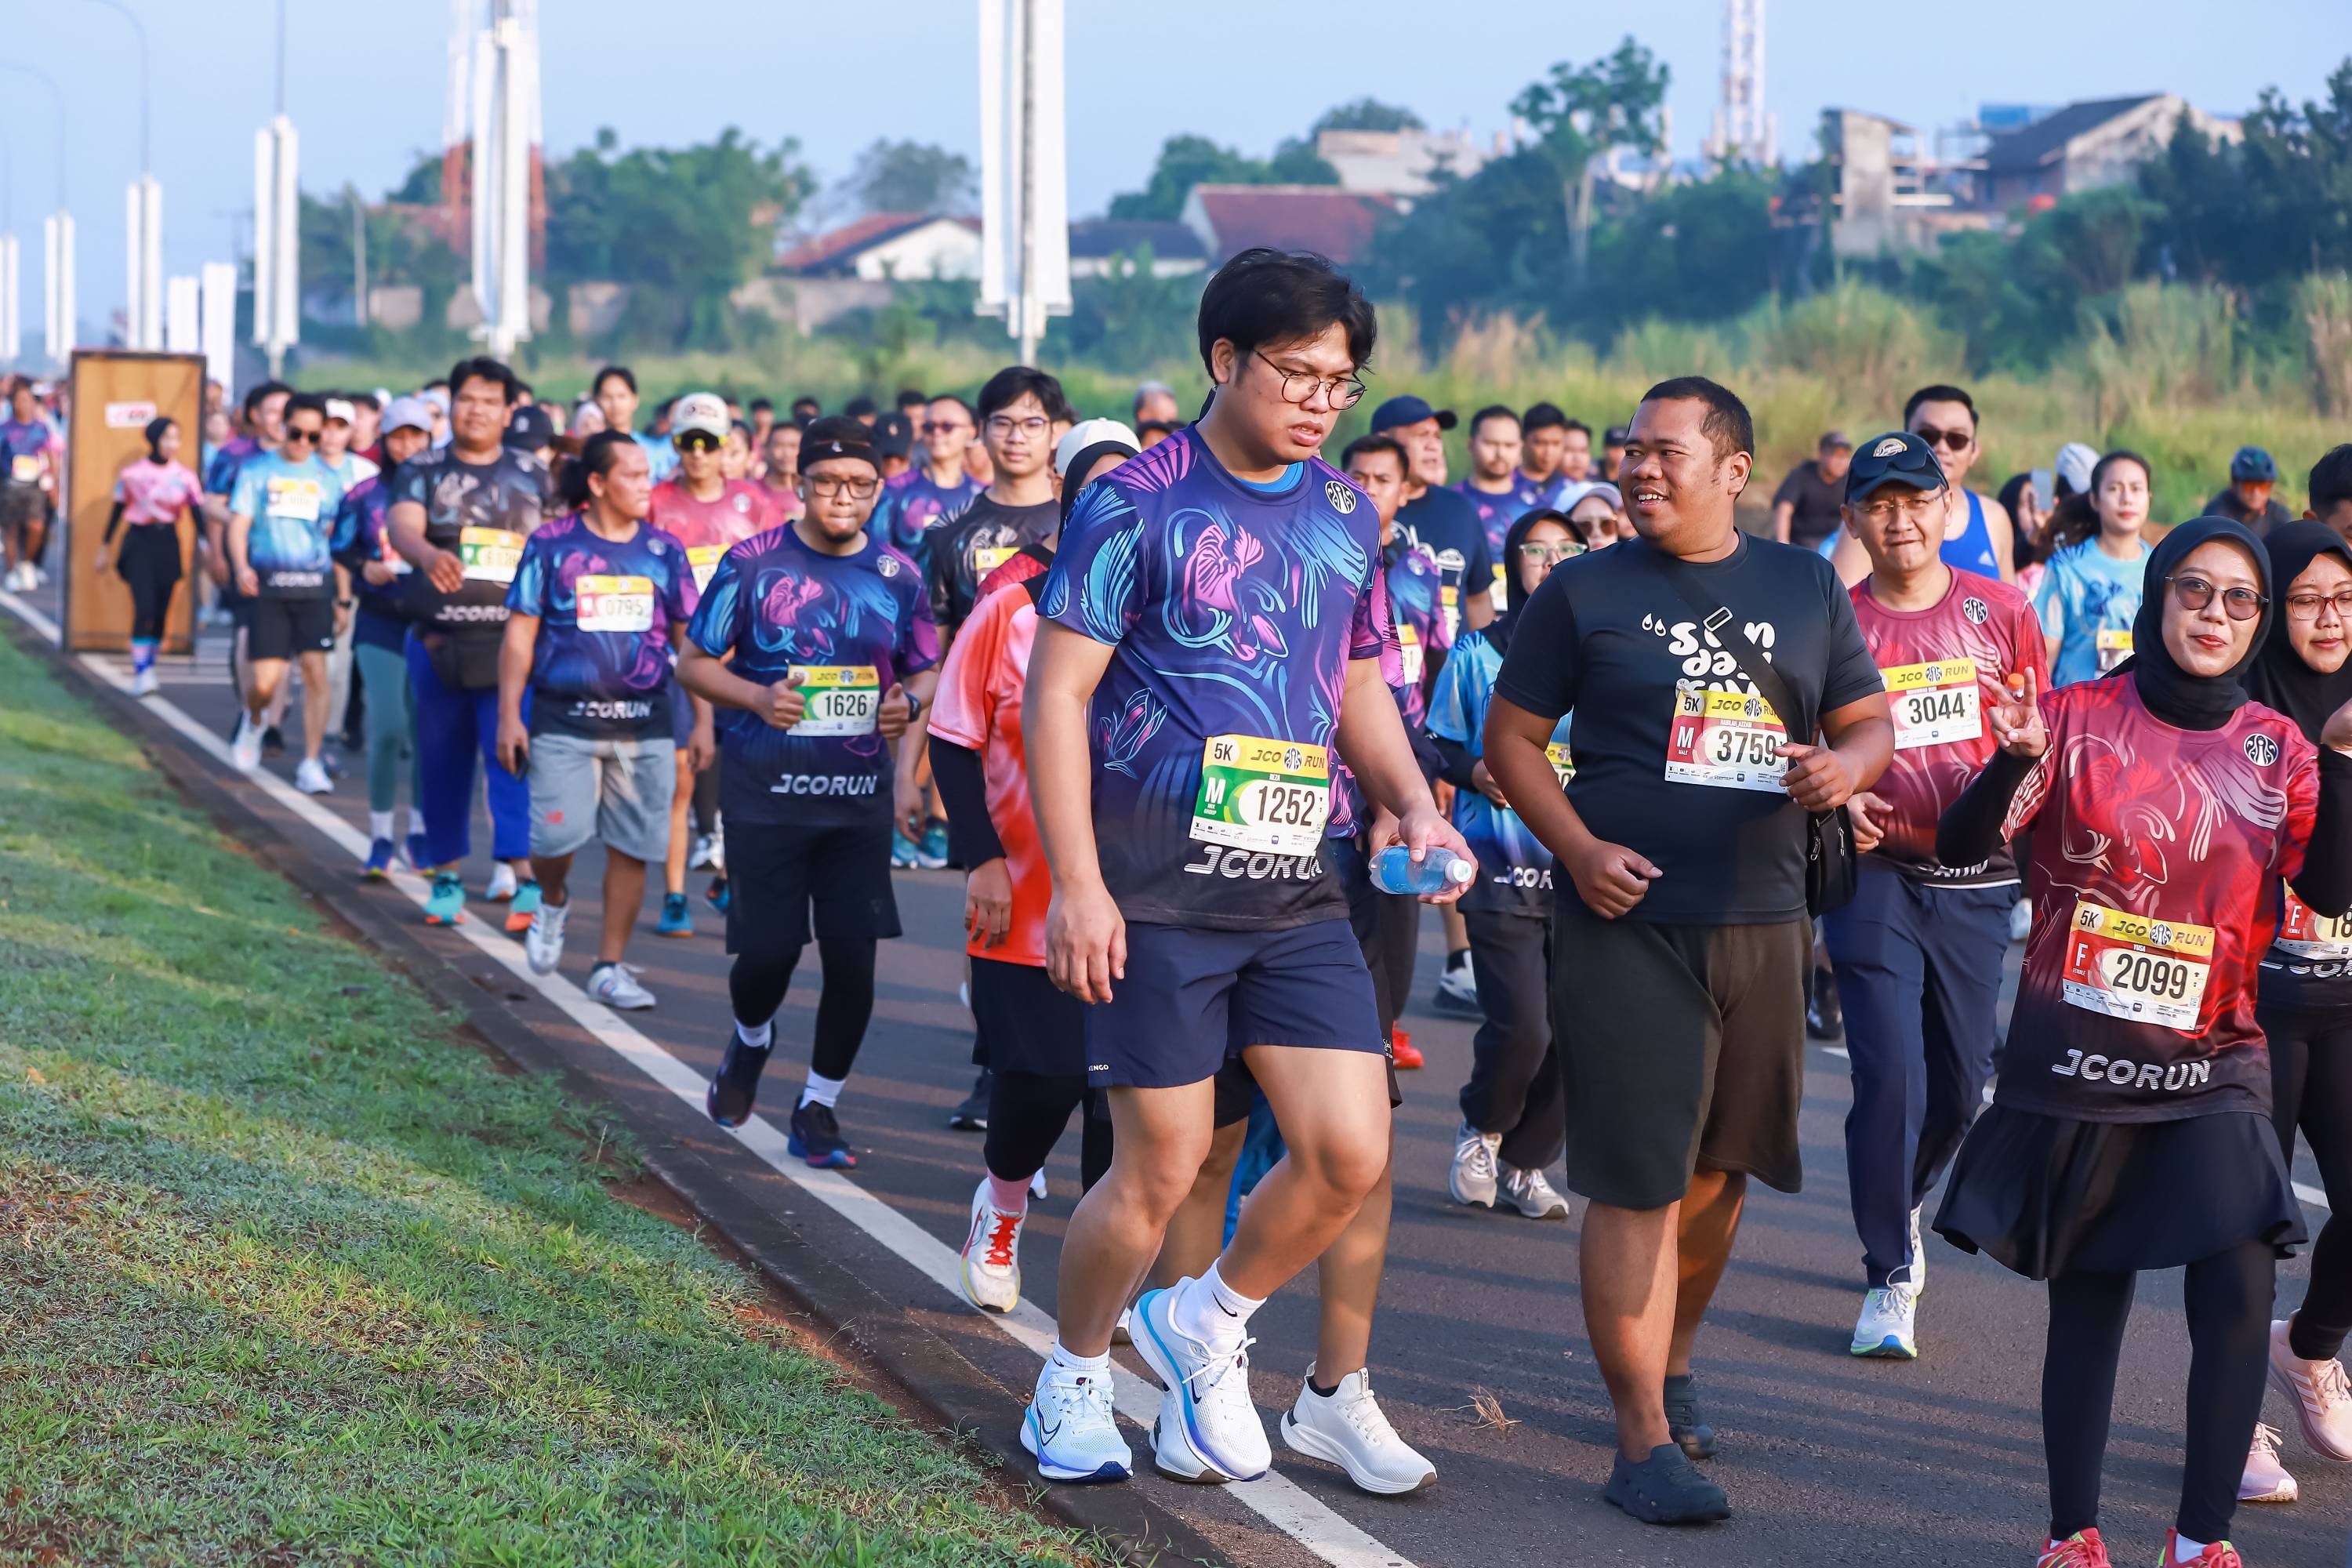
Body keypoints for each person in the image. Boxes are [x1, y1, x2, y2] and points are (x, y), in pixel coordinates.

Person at [1018, 247, 1472, 1489]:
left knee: (1350, 1150)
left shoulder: (1345, 513)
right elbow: (1057, 696)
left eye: (1341, 380)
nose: (1322, 400)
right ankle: (1072, 1374)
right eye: (1297, 372)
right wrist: (1078, 885)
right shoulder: (1135, 502)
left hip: (1295, 885)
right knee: (1160, 1166)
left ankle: (1204, 1319)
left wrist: (1413, 807)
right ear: (1225, 359)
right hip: (1155, 888)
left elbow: (1358, 677)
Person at [1483, 376, 1893, 1524]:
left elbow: (1868, 720)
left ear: (1733, 471)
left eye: (1665, 452)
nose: (1639, 468)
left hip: (1767, 919)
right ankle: (1640, 1440)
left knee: (1719, 1169)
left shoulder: (1806, 583)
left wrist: (1844, 769)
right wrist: (1576, 848)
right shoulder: (1583, 588)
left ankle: (1671, 1361)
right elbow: (1509, 740)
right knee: (1637, 1178)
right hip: (1629, 922)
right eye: (1630, 451)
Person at [1933, 515, 2352, 1568]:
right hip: (2080, 1055)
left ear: (2258, 622)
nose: (2215, 613)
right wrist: (2009, 762)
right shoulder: (2072, 718)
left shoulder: (2278, 747)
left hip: (2217, 1055)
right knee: (2093, 1293)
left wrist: (2344, 759)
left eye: (2240, 599)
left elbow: (2334, 887)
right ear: (2157, 595)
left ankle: (2201, 1538)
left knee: (2241, 1278)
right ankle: (2072, 1531)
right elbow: (1960, 844)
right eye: (2194, 589)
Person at [1823, 432, 2050, 1361]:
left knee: (1959, 1085)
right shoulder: (1833, 620)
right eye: (1878, 504)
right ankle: (1887, 1269)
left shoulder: (2004, 611)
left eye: (1916, 500)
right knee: (1890, 1072)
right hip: (1872, 874)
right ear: (1852, 519)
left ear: (1947, 507)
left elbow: (2039, 746)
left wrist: (2009, 810)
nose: (1900, 520)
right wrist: (1837, 795)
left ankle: (1901, 1198)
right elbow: (1798, 740)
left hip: (1977, 880)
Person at [681, 417, 938, 1168]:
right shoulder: (753, 562)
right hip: (766, 794)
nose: (842, 497)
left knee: (853, 962)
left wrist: (908, 704)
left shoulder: (897, 575)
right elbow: (693, 662)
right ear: (801, 484)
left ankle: (818, 1106)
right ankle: (751, 1039)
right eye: (827, 482)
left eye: (859, 485)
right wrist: (757, 698)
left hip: (856, 803)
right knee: (767, 957)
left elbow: (926, 669)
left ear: (878, 490)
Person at [939, 430, 1137, 1316]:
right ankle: (1004, 1203)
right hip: (1025, 891)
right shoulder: (1010, 605)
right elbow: (954, 738)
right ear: (1066, 494)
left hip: (1140, 890)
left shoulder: (1166, 610)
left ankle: (1107, 1275)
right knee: (1045, 1075)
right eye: (1097, 488)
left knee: (1118, 1098)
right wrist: (981, 858)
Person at [499, 430, 699, 1011]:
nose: (645, 485)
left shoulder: (665, 551)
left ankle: (609, 967)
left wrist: (704, 721)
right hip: (564, 722)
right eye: (632, 475)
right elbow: (520, 636)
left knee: (633, 848)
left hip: (645, 724)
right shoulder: (551, 545)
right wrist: (509, 715)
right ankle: (553, 899)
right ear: (597, 482)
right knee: (553, 840)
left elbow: (691, 645)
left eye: (646, 474)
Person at [2240, 521, 2352, 1504]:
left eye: (2346, 599)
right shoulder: (2242, 706)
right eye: (2309, 600)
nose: (2330, 619)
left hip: (2347, 1001)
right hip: (2252, 1000)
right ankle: (2233, 1414)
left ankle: (2309, 1347)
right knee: (2250, 1222)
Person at [1428, 506, 1581, 1217]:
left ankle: (1526, 1163)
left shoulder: (1603, 651)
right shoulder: (1476, 653)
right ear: (1511, 564)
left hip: (1583, 875)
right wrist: (1474, 771)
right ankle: (1481, 1128)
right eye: (1535, 550)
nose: (1550, 562)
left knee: (1575, 1033)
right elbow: (1438, 742)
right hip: (1500, 866)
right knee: (1524, 1026)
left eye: (1566, 550)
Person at [388, 357, 557, 928]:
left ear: (508, 411)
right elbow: (402, 525)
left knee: (512, 753)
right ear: (451, 405)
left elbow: (553, 545)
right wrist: (426, 554)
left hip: (511, 643)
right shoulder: (422, 468)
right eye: (467, 399)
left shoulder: (532, 472)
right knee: (441, 760)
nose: (477, 410)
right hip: (438, 641)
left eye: (489, 401)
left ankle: (524, 877)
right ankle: (448, 877)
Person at [915, 368, 1068, 874]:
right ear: (981, 431)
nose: (1016, 437)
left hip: (1066, 738)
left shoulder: (1078, 524)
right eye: (1003, 423)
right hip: (980, 753)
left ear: (1055, 432)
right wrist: (907, 775)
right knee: (989, 895)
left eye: (1032, 423)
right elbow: (933, 661)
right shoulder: (947, 532)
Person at [647, 392, 768, 937]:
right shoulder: (656, 501)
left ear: (726, 447)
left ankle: (726, 877)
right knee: (682, 779)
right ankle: (674, 895)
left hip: (744, 663)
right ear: (674, 444)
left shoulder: (753, 503)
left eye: (708, 443)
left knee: (746, 779)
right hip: (679, 661)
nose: (698, 453)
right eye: (687, 442)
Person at [330, 396, 437, 877]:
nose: (408, 445)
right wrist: (363, 567)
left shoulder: (446, 493)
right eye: (398, 436)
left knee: (425, 732)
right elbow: (340, 545)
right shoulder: (365, 494)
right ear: (383, 439)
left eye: (417, 436)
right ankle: (378, 837)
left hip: (431, 624)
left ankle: (420, 833)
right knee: (389, 726)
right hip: (379, 622)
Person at [227, 394, 350, 792]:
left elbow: (338, 541)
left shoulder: (329, 479)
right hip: (269, 588)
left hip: (315, 589)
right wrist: (241, 566)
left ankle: (311, 762)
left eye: (313, 437)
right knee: (265, 684)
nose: (303, 443)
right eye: (296, 433)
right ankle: (255, 721)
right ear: (283, 427)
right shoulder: (256, 470)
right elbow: (238, 525)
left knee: (317, 674)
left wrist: (342, 598)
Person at [94, 417, 204, 696]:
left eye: (176, 438)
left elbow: (197, 514)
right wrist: (105, 546)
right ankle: (142, 671)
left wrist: (208, 548)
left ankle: (150, 664)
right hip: (139, 542)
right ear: (154, 439)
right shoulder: (133, 474)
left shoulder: (185, 476)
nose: (172, 444)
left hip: (167, 542)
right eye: (167, 437)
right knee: (144, 606)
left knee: (160, 610)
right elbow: (117, 511)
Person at [1372, 394, 1494, 641]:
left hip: (1449, 663)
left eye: (1437, 437)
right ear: (1384, 441)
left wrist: (1487, 659)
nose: (1434, 446)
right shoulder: (1360, 508)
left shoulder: (1461, 510)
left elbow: (1477, 599)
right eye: (1422, 435)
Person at [2036, 451, 2155, 687]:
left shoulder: (2162, 567)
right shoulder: (2066, 566)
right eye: (2114, 489)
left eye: (2136, 489)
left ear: (2148, 498)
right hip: (2075, 704)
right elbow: (2044, 653)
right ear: (2094, 499)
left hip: (2141, 706)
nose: (2127, 499)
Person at [872, 394, 983, 571]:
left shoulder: (983, 494)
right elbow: (876, 556)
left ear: (971, 432)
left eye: (947, 426)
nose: (937, 433)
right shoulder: (894, 490)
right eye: (929, 427)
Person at [1, 378, 56, 590]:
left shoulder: (41, 428)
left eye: (27, 400)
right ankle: (11, 571)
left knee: (36, 526)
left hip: (34, 486)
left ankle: (26, 563)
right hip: (10, 486)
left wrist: (53, 484)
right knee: (12, 529)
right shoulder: (5, 429)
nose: (23, 404)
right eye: (19, 400)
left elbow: (50, 455)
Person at [591, 365, 677, 484]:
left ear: (635, 400)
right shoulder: (592, 450)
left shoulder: (657, 450)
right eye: (607, 397)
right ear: (596, 401)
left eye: (621, 396)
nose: (615, 404)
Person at [1771, 430, 1853, 550]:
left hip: (1835, 542)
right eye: (1836, 456)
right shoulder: (1802, 475)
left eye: (1845, 457)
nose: (1841, 462)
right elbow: (1784, 509)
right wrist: (1783, 545)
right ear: (1821, 454)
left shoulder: (1849, 480)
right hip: (1801, 542)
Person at [2208, 447, 2293, 536]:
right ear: (2234, 483)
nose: (2256, 493)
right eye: (2249, 485)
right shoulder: (2217, 514)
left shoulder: (2279, 515)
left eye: (2263, 486)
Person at [760, 421, 805, 522]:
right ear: (766, 450)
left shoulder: (810, 495)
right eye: (779, 446)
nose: (787, 453)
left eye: (793, 446)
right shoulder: (753, 492)